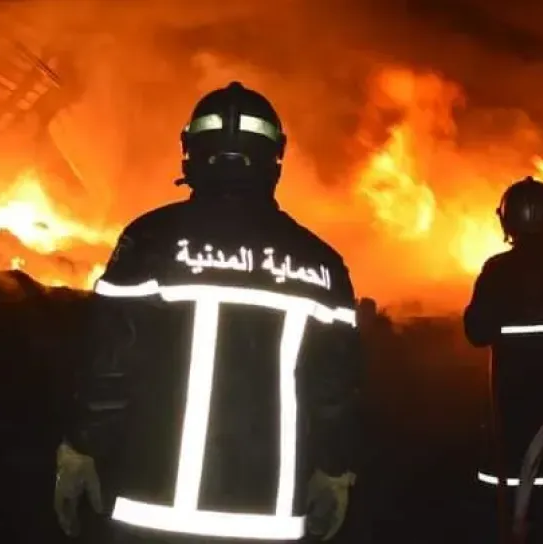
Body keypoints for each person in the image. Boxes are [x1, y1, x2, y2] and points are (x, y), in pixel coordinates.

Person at [52, 81, 363, 544]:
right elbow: (334, 389)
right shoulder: (323, 264)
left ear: (191, 151)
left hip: (152, 514)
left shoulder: (151, 239)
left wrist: (81, 447)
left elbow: (109, 363)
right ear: (276, 156)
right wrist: (335, 470)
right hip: (270, 521)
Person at [462, 176, 543, 542]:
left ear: (507, 221)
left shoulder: (498, 269)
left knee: (506, 513)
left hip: (513, 414)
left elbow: (476, 332)